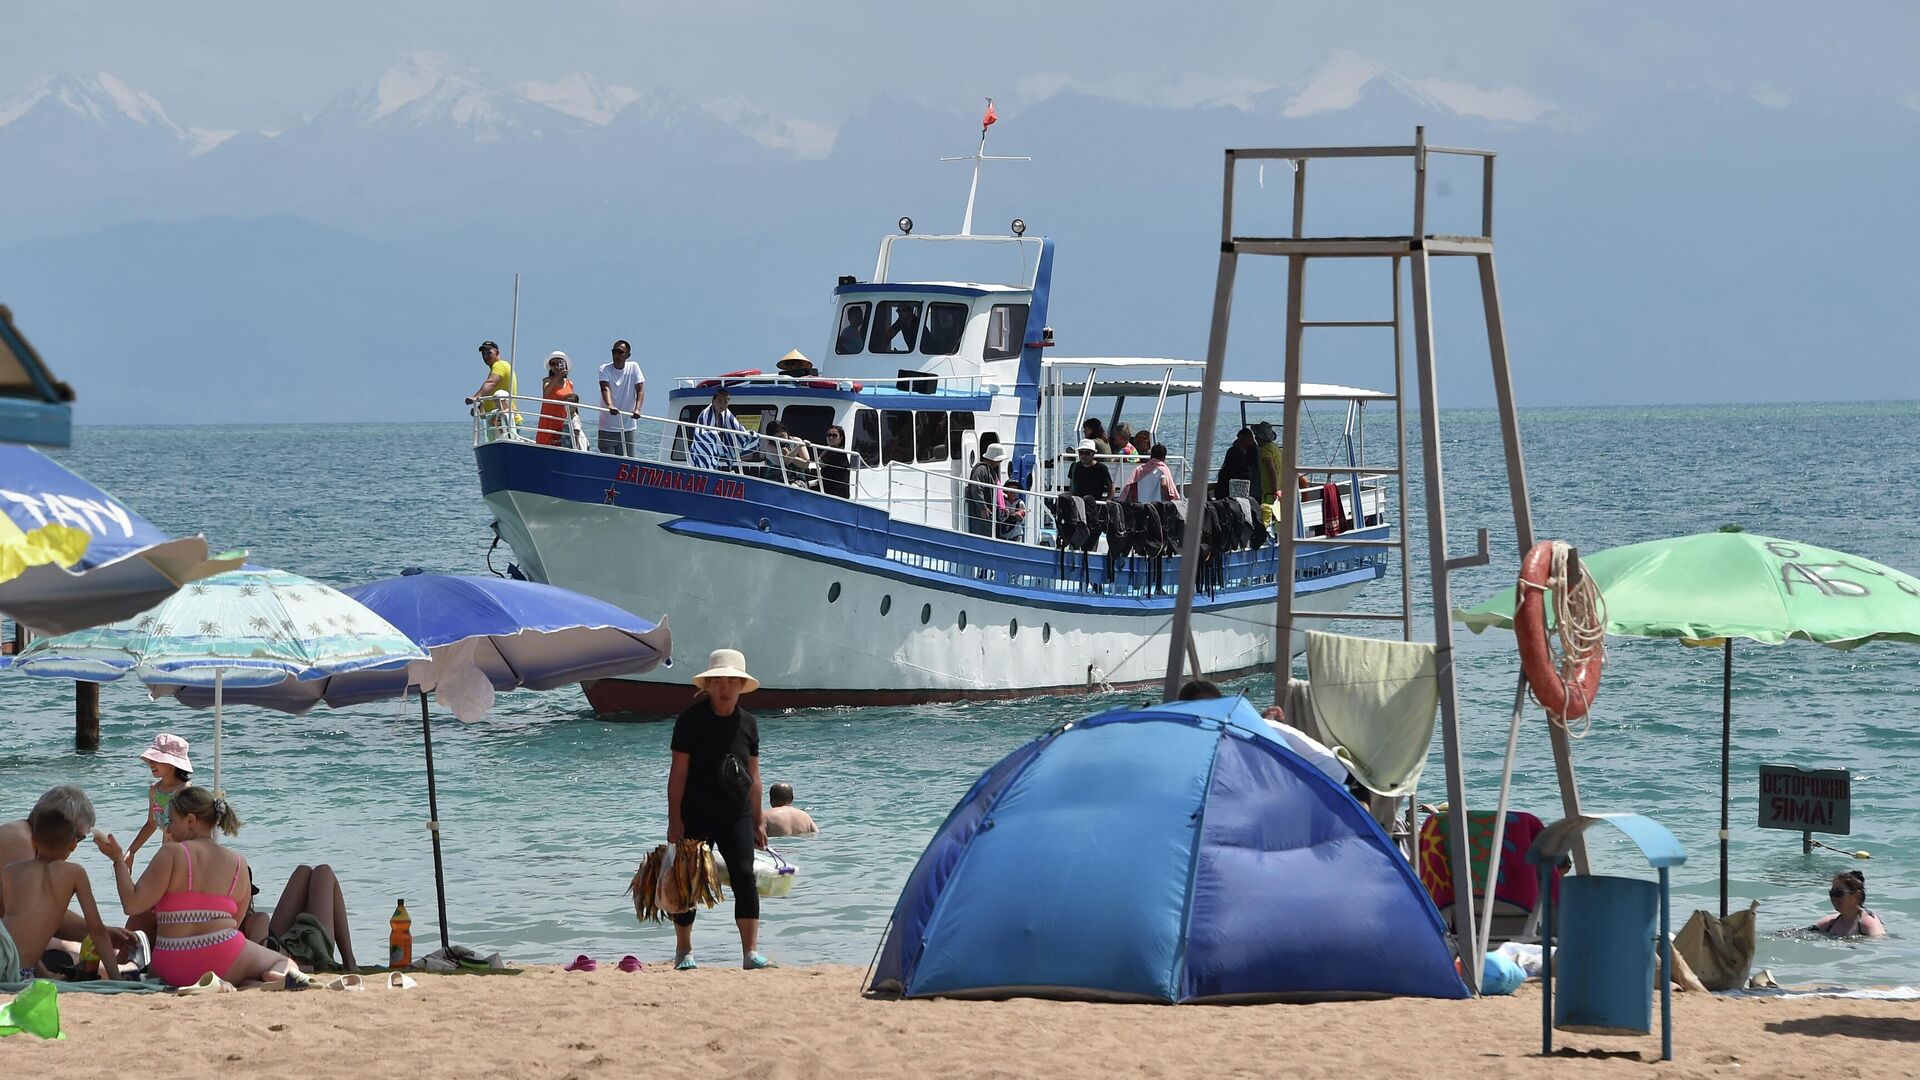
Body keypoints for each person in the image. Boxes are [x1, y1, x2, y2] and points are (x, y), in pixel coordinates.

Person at [94, 787, 306, 988]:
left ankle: (250, 982)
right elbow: (236, 922)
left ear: (191, 820)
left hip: (170, 964)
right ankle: (273, 976)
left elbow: (132, 904)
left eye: (171, 820)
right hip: (223, 958)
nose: (168, 828)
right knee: (283, 961)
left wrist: (118, 861)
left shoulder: (172, 853)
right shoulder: (238, 863)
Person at [667, 650, 774, 970]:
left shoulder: (749, 724)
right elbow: (678, 772)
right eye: (718, 682)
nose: (725, 688)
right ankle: (684, 950)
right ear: (709, 685)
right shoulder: (690, 720)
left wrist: (758, 819)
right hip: (696, 811)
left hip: (736, 813)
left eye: (731, 682)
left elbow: (754, 775)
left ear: (741, 686)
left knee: (744, 876)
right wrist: (675, 819)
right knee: (688, 880)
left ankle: (750, 952)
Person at [0, 787, 133, 970]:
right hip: (6, 953)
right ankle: (128, 970)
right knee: (69, 960)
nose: (74, 847)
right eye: (77, 838)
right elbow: (36, 916)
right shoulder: (20, 841)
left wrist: (101, 932)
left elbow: (32, 916)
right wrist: (98, 932)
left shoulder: (19, 835)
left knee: (68, 952)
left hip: (8, 944)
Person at [262, 864, 360, 973]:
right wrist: (301, 967)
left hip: (274, 946)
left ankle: (349, 962)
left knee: (303, 871)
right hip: (301, 957)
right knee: (324, 872)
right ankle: (349, 962)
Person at [126, 732, 192, 869]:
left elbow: (195, 829)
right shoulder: (154, 790)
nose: (151, 763)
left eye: (157, 759)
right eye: (151, 759)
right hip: (166, 855)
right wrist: (131, 852)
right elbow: (151, 824)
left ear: (172, 763)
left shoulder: (185, 791)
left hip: (185, 857)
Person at [598, 340, 645, 457]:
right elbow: (605, 388)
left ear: (627, 355)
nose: (616, 355)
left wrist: (638, 409)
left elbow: (640, 389)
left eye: (620, 352)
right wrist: (610, 405)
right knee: (608, 462)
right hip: (607, 426)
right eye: (614, 352)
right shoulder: (604, 368)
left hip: (628, 426)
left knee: (627, 461)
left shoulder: (634, 367)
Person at [966, 444, 1022, 538]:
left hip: (995, 514)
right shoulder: (981, 470)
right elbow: (976, 488)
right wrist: (983, 507)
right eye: (1000, 460)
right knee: (984, 536)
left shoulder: (990, 471)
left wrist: (1003, 508)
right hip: (985, 515)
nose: (1000, 462)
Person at [691, 387, 753, 471]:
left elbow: (736, 427)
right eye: (719, 401)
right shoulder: (705, 415)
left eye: (725, 402)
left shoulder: (726, 413)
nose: (722, 404)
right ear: (713, 401)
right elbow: (701, 435)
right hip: (702, 454)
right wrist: (714, 435)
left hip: (718, 456)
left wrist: (748, 435)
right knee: (712, 436)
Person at [465, 340, 519, 437]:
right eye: (483, 354)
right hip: (497, 420)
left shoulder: (499, 365)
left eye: (489, 353)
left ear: (497, 352)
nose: (485, 356)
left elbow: (491, 383)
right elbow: (494, 390)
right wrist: (480, 408)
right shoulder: (504, 366)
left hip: (504, 421)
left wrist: (476, 397)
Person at [1812, 870, 1885, 937]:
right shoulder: (1830, 923)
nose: (1833, 897)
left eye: (1839, 893)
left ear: (1856, 896)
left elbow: (1879, 943)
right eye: (1832, 893)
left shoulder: (1868, 924)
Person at [536, 351, 581, 448]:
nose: (556, 366)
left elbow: (573, 402)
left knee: (563, 445)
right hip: (549, 419)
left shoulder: (569, 383)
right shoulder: (547, 380)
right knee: (545, 446)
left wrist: (576, 421)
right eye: (553, 364)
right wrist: (558, 376)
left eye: (559, 363)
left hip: (563, 421)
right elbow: (546, 393)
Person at [761, 420, 813, 484]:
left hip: (797, 479)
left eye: (782, 430)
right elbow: (782, 463)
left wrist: (788, 454)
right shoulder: (770, 446)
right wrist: (794, 452)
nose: (781, 434)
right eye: (776, 432)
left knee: (794, 486)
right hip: (774, 479)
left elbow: (805, 464)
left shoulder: (797, 441)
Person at [818, 425, 859, 499]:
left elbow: (819, 464)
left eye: (834, 436)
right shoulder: (831, 451)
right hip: (829, 489)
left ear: (840, 438)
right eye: (829, 435)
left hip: (835, 493)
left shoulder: (838, 454)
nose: (831, 438)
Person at [1215, 427, 1257, 499]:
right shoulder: (1245, 472)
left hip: (1226, 498)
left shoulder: (1225, 472)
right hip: (1245, 497)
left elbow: (1219, 492)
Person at [1252, 421, 1284, 507]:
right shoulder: (1275, 448)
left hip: (1271, 493)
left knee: (1268, 513)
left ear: (1259, 437)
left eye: (1256, 436)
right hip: (1280, 489)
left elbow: (1271, 470)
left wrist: (1275, 490)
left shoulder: (1265, 450)